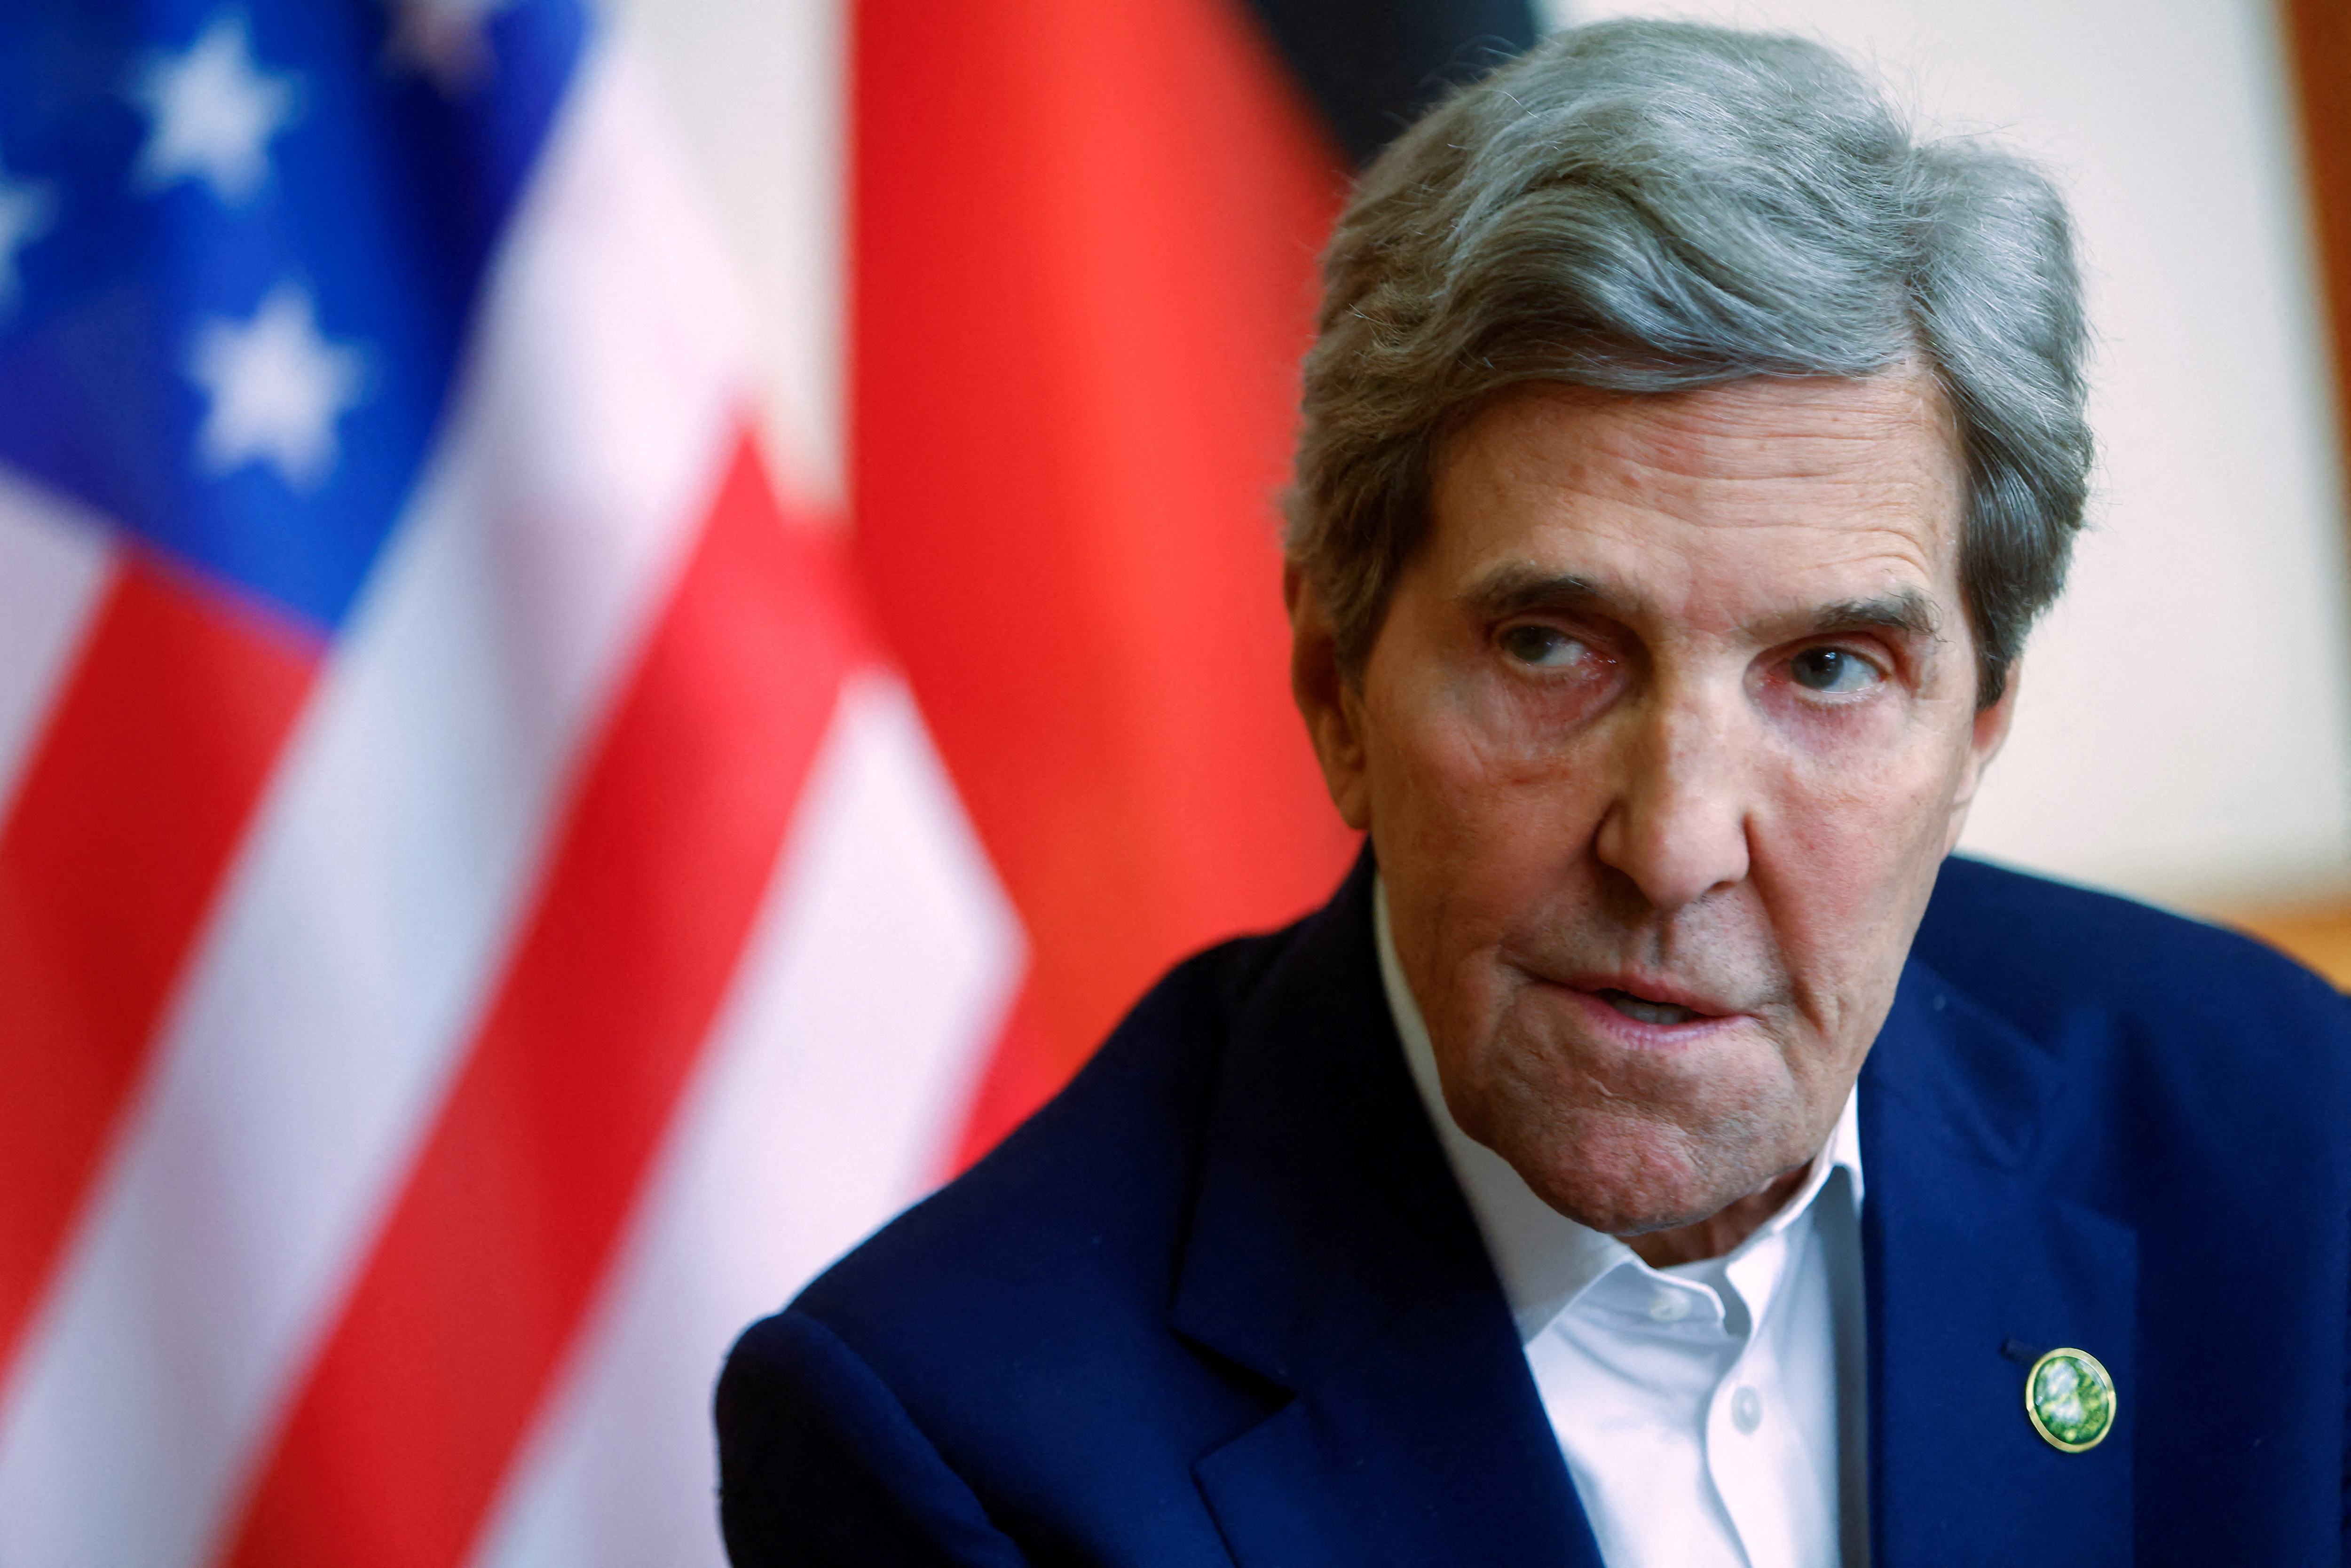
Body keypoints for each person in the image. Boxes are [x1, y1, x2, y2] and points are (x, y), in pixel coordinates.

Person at [715, 20, 2351, 1565]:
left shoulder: (2281, 1137)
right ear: (1337, 682)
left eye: (1832, 671)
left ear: (1979, 728)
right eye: (1554, 647)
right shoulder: (962, 1440)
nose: (1677, 843)